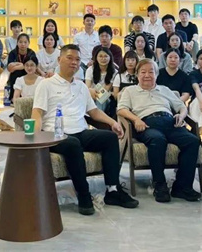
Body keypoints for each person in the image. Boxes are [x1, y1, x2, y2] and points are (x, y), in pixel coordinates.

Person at [32, 44, 139, 215]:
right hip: (56, 135)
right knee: (73, 144)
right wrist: (36, 139)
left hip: (81, 131)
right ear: (59, 60)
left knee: (110, 138)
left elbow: (94, 112)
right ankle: (83, 194)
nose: (74, 62)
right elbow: (37, 113)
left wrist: (113, 122)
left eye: (77, 59)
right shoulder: (46, 85)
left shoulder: (81, 86)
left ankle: (113, 190)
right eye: (69, 58)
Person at [118, 59, 201, 203]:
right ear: (137, 74)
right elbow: (121, 109)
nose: (147, 75)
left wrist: (181, 116)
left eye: (151, 72)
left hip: (170, 122)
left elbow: (181, 106)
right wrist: (136, 120)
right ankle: (160, 185)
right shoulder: (130, 91)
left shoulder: (165, 90)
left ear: (156, 74)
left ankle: (182, 187)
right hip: (146, 124)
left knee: (193, 141)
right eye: (143, 72)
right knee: (157, 140)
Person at [85, 47, 117, 116]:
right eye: (100, 56)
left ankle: (97, 118)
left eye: (106, 56)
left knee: (102, 97)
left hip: (106, 97)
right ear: (96, 58)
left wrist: (96, 96)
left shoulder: (114, 72)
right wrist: (93, 94)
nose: (103, 59)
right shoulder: (90, 70)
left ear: (110, 57)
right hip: (91, 95)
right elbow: (88, 88)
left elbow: (106, 89)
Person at [6, 33, 37, 101]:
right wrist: (21, 65)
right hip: (15, 75)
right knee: (15, 74)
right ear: (17, 43)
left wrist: (15, 66)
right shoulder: (13, 53)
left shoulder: (31, 53)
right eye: (20, 42)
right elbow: (10, 69)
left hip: (28, 73)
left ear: (28, 43)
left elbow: (32, 66)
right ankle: (13, 98)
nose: (23, 44)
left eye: (25, 42)